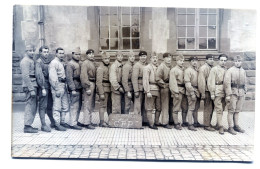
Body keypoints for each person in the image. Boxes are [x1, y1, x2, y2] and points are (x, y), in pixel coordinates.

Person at [224, 55, 247, 135]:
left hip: (241, 93)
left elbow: (245, 82)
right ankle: (230, 127)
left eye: (239, 61)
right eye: (236, 61)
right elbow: (227, 83)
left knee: (237, 111)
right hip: (233, 93)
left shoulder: (243, 71)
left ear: (241, 62)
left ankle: (236, 126)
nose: (237, 63)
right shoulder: (230, 70)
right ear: (234, 62)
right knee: (231, 110)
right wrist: (228, 94)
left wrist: (245, 91)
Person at [48, 47, 70, 131]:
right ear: (56, 54)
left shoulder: (61, 62)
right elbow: (52, 77)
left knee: (65, 105)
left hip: (63, 85)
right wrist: (56, 88)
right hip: (57, 85)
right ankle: (57, 124)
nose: (61, 55)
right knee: (57, 106)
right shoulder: (53, 63)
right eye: (60, 53)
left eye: (62, 53)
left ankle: (62, 122)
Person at [35, 45, 55, 132]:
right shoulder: (39, 62)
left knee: (50, 105)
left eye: (47, 52)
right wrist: (42, 87)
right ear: (40, 52)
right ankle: (43, 125)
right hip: (43, 86)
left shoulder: (49, 61)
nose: (46, 54)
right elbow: (39, 76)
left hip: (50, 85)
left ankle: (52, 122)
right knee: (43, 106)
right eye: (44, 52)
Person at [208, 54, 228, 135]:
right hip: (217, 90)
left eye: (224, 60)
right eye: (221, 60)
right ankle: (220, 126)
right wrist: (212, 93)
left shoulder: (226, 70)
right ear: (218, 60)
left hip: (224, 90)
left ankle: (217, 124)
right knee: (219, 109)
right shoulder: (214, 69)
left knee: (222, 108)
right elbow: (211, 82)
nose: (223, 62)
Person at [20, 45, 38, 133]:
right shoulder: (25, 61)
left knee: (33, 106)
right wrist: (31, 89)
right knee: (30, 105)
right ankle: (27, 126)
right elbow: (25, 76)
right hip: (29, 85)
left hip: (33, 84)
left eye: (33, 50)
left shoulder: (30, 60)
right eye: (30, 51)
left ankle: (29, 125)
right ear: (26, 51)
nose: (32, 52)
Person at [65, 47, 83, 130]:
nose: (78, 56)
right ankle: (72, 123)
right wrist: (72, 89)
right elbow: (69, 78)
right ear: (72, 54)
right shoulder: (70, 64)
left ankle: (76, 120)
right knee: (74, 105)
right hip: (74, 87)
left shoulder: (79, 63)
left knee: (79, 105)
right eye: (76, 54)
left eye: (79, 54)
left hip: (79, 86)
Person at [169, 54, 188, 130]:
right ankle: (176, 123)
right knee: (176, 108)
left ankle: (184, 121)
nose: (182, 62)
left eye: (183, 61)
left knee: (185, 107)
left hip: (184, 90)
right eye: (180, 60)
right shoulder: (173, 70)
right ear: (176, 61)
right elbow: (172, 82)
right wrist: (175, 92)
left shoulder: (184, 69)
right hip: (178, 90)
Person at [79, 49, 97, 129]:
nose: (91, 55)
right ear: (86, 55)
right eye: (89, 54)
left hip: (93, 83)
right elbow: (83, 76)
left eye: (92, 54)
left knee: (91, 104)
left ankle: (89, 121)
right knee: (87, 104)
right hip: (88, 84)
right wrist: (87, 88)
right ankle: (86, 122)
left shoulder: (92, 63)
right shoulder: (85, 63)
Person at [143, 53, 161, 130]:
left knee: (159, 108)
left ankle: (156, 122)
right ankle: (151, 123)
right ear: (150, 59)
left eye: (156, 58)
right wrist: (147, 91)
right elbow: (145, 80)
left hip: (158, 89)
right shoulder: (147, 68)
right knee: (149, 108)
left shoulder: (158, 67)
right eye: (153, 58)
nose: (155, 59)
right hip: (150, 89)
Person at [198, 54, 216, 131]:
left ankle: (208, 123)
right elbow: (201, 81)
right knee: (207, 108)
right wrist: (203, 93)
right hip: (206, 90)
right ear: (206, 60)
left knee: (212, 108)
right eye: (210, 59)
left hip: (212, 90)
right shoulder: (203, 68)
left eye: (213, 59)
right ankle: (206, 125)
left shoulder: (212, 68)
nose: (212, 60)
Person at [156, 53, 173, 129]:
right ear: (164, 59)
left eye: (170, 57)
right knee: (165, 105)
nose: (169, 59)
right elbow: (158, 78)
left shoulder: (171, 66)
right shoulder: (161, 67)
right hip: (164, 88)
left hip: (171, 87)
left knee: (171, 104)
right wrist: (164, 85)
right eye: (167, 58)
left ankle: (171, 120)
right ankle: (164, 122)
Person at [184, 56, 201, 131]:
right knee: (191, 108)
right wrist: (192, 93)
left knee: (196, 108)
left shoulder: (196, 70)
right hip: (191, 90)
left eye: (196, 61)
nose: (194, 62)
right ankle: (190, 124)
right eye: (193, 61)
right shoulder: (188, 70)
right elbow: (187, 83)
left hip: (197, 90)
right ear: (190, 62)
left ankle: (196, 122)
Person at [96, 52, 112, 127]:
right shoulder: (100, 68)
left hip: (110, 88)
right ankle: (101, 122)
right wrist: (101, 93)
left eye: (108, 58)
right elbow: (98, 82)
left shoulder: (110, 66)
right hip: (104, 89)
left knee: (110, 105)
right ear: (102, 59)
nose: (107, 60)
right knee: (102, 105)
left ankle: (110, 120)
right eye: (105, 59)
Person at [132, 51, 147, 124]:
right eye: (141, 56)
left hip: (145, 88)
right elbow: (134, 78)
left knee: (145, 106)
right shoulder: (137, 65)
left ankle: (144, 121)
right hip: (139, 87)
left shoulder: (146, 65)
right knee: (137, 106)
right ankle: (136, 122)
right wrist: (136, 90)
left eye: (144, 56)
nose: (143, 58)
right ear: (139, 57)